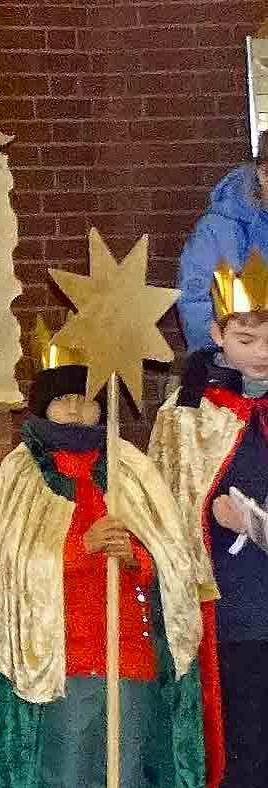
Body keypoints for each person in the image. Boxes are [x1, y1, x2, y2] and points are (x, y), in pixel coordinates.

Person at [0, 324, 207, 788]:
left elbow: (176, 558)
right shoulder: (22, 471)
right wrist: (84, 548)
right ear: (45, 406)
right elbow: (9, 569)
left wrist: (138, 556)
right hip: (67, 660)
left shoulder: (131, 467)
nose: (80, 411)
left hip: (131, 654)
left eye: (90, 400)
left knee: (127, 769)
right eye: (67, 400)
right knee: (71, 770)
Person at [148, 251, 268, 788]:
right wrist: (210, 512)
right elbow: (165, 502)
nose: (262, 353)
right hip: (236, 607)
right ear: (218, 333)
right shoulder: (190, 413)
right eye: (246, 340)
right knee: (246, 748)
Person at [179, 131, 268, 352]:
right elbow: (195, 299)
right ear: (263, 174)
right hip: (236, 364)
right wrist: (217, 357)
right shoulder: (219, 229)